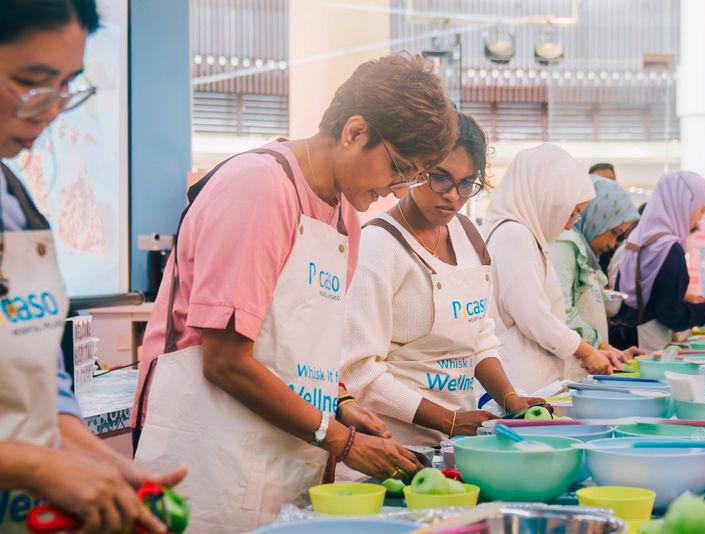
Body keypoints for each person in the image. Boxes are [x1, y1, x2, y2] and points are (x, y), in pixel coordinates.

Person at [132, 53, 457, 531]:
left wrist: (342, 405)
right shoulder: (259, 187)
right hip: (209, 455)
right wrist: (339, 440)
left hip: (281, 451)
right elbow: (224, 359)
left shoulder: (344, 215)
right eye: (399, 168)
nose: (395, 190)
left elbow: (304, 344)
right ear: (355, 131)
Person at [0, 2, 183, 532]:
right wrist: (36, 465)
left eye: (66, 87)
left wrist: (109, 469)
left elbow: (39, 387)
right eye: (31, 83)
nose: (50, 110)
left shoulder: (13, 200)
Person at [341, 113, 547, 448]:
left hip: (459, 439)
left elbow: (478, 336)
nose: (453, 196)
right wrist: (447, 420)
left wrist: (509, 397)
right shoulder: (378, 248)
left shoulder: (468, 234)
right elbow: (361, 373)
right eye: (440, 178)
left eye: (467, 184)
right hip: (395, 440)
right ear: (413, 170)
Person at [482, 144, 627, 394]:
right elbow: (534, 317)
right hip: (518, 384)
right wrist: (586, 351)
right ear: (547, 197)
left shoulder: (526, 236)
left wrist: (591, 351)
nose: (570, 226)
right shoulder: (514, 236)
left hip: (530, 381)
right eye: (572, 213)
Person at [609, 171, 705, 352]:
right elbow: (670, 313)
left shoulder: (636, 237)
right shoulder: (668, 248)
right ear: (683, 205)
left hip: (621, 338)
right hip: (646, 344)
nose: (699, 218)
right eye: (700, 209)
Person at [550, 174, 641, 352]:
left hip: (586, 364)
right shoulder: (565, 245)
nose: (612, 244)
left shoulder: (584, 251)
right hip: (571, 365)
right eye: (613, 232)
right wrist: (595, 352)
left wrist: (613, 353)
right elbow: (562, 314)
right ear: (595, 217)